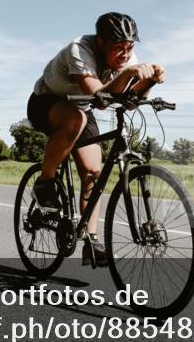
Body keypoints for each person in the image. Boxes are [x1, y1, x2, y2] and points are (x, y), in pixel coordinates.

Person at [26, 13, 166, 266]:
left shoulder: (127, 59)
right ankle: (45, 183)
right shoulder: (79, 49)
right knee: (74, 121)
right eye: (118, 47)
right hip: (46, 101)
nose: (125, 54)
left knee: (92, 171)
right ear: (101, 42)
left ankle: (91, 240)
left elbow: (127, 102)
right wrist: (128, 75)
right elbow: (100, 97)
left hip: (81, 108)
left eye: (130, 47)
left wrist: (149, 83)